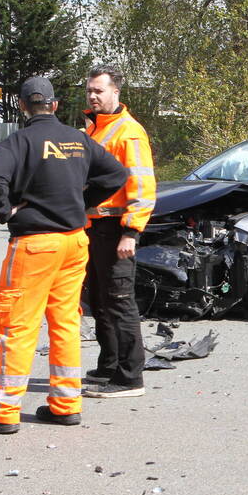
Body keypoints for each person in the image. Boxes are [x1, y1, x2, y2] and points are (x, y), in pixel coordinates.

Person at [0, 77, 127, 434]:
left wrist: (5, 211)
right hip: (74, 241)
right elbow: (117, 173)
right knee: (66, 323)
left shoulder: (19, 141)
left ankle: (3, 413)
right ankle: (66, 405)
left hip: (35, 245)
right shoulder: (77, 139)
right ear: (54, 105)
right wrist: (82, 203)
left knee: (19, 327)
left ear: (24, 106)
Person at [81, 64, 157, 398]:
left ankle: (130, 377)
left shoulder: (129, 132)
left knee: (120, 301)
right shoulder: (95, 130)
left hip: (116, 229)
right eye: (89, 90)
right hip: (95, 228)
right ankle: (109, 365)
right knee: (100, 301)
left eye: (99, 90)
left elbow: (142, 185)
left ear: (116, 92)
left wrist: (131, 232)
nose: (93, 96)